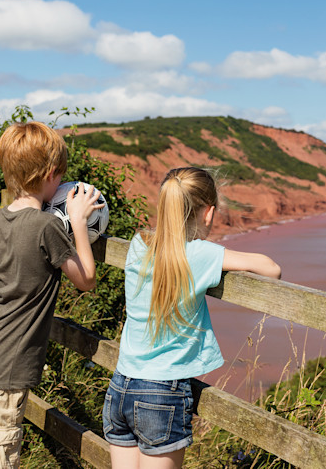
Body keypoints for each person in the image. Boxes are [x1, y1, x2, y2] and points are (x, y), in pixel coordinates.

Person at [102, 166, 281, 469]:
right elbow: (271, 269)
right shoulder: (200, 255)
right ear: (208, 213)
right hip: (161, 395)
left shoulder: (139, 244)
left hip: (121, 386)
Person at [0, 121, 104, 468]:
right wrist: (78, 222)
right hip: (3, 373)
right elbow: (86, 279)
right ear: (52, 173)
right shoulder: (47, 226)